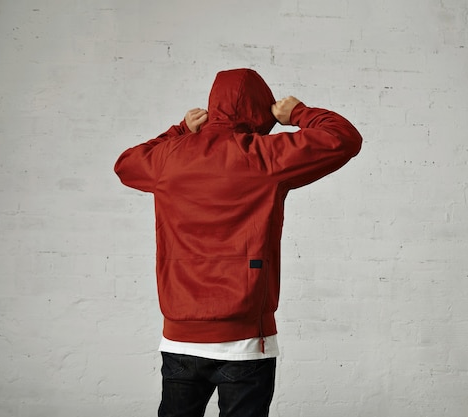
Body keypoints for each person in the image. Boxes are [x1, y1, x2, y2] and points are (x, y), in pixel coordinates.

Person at [114, 68, 362, 417]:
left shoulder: (170, 157)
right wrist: (299, 113)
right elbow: (344, 138)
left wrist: (182, 129)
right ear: (261, 112)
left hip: (181, 335)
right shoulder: (264, 156)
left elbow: (125, 163)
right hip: (246, 341)